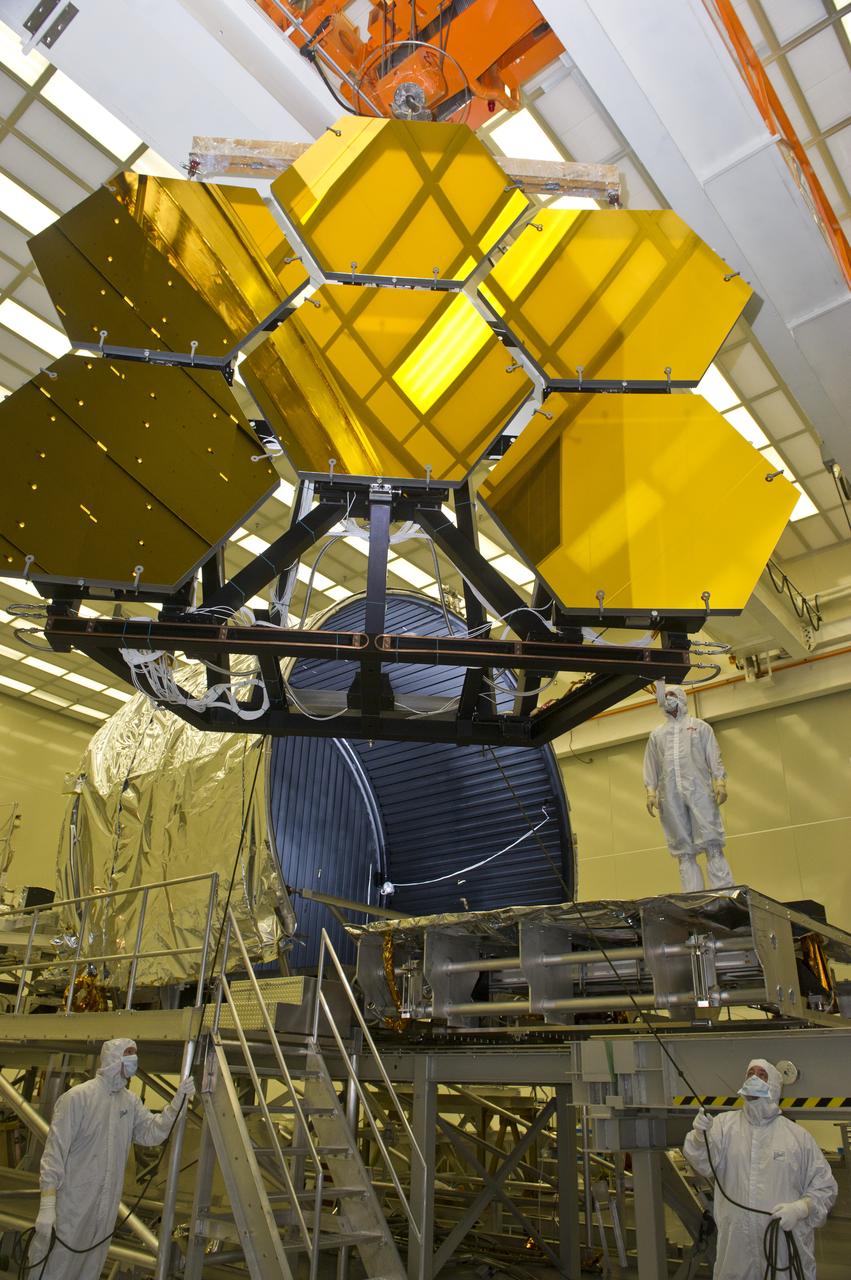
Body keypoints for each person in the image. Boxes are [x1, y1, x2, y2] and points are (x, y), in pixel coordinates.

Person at [30, 1037, 195, 1279]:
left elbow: (153, 1132)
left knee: (91, 1267)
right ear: (113, 1058)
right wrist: (47, 1206)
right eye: (129, 1053)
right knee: (57, 1265)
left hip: (106, 1209)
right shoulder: (77, 1098)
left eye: (135, 1053)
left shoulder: (129, 1102)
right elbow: (54, 1154)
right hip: (73, 1206)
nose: (134, 1059)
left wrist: (177, 1103)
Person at [683, 1057, 837, 1279]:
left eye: (761, 1075)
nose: (754, 1078)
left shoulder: (797, 1137)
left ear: (774, 1084)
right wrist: (699, 1137)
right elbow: (702, 1162)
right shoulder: (723, 1127)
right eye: (750, 1074)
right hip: (736, 1251)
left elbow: (825, 1187)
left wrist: (801, 1209)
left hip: (784, 1247)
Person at [643, 682, 735, 892]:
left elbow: (713, 755)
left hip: (699, 791)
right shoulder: (657, 735)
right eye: (665, 695)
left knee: (711, 843)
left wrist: (719, 781)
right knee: (683, 850)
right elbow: (651, 764)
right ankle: (693, 898)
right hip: (670, 796)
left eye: (672, 694)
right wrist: (651, 791)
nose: (668, 699)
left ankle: (724, 895)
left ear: (682, 697)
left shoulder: (700, 727)